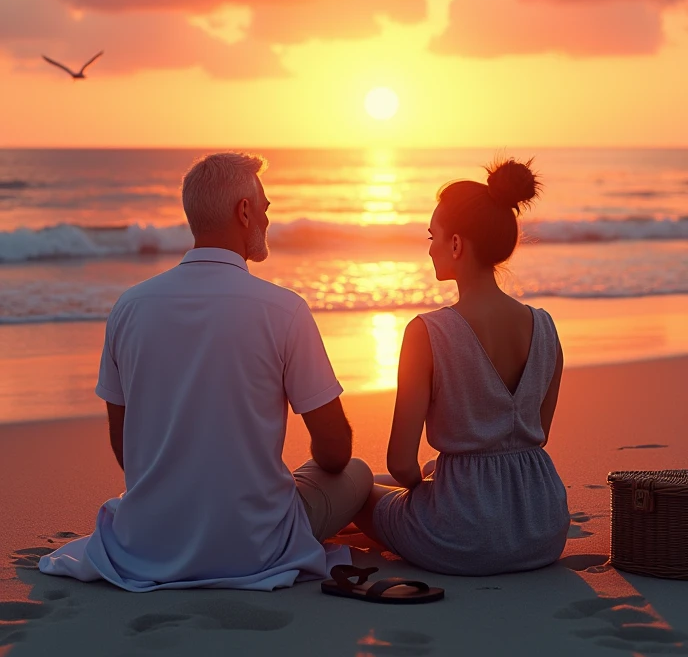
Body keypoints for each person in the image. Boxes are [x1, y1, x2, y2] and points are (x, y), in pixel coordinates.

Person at [39, 152, 372, 591]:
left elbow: (127, 449)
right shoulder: (284, 310)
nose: (268, 221)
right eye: (266, 208)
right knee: (359, 472)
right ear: (245, 210)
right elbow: (334, 451)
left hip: (150, 539)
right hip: (254, 544)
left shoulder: (130, 307)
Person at [353, 157, 569, 576]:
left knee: (355, 489)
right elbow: (534, 437)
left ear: (455, 245)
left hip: (463, 536)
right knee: (434, 474)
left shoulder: (427, 333)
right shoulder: (545, 327)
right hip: (543, 527)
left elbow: (401, 465)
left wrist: (426, 493)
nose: (429, 246)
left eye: (432, 236)